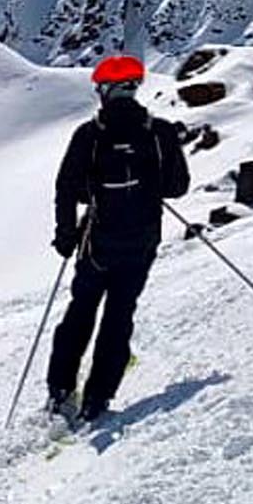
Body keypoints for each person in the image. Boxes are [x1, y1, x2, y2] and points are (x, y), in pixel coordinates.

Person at [47, 54, 190, 424]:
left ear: (106, 91)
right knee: (119, 316)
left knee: (80, 312)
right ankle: (98, 398)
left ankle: (60, 390)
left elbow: (68, 188)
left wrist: (65, 234)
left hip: (97, 246)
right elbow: (178, 187)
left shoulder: (90, 134)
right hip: (142, 243)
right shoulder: (158, 131)